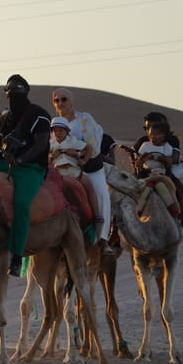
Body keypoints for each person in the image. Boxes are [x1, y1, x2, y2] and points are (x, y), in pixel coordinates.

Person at [0, 75, 51, 276]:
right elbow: (0, 146)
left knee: (22, 203)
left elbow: (41, 144)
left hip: (32, 167)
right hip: (7, 163)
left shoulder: (39, 115)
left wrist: (22, 160)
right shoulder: (5, 119)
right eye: (9, 92)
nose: (12, 96)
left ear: (26, 92)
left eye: (16, 92)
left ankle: (16, 255)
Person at [51, 87, 113, 254]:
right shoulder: (55, 125)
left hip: (89, 168)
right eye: (57, 100)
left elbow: (92, 146)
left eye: (64, 99)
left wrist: (76, 154)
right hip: (63, 170)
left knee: (101, 194)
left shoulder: (85, 119)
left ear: (72, 101)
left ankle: (102, 238)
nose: (60, 103)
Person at [49, 116, 100, 231]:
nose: (58, 133)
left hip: (75, 173)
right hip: (60, 174)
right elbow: (46, 159)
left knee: (90, 187)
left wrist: (82, 159)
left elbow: (89, 148)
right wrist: (52, 157)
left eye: (61, 130)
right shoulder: (51, 145)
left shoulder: (73, 142)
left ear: (67, 131)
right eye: (55, 130)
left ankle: (97, 215)